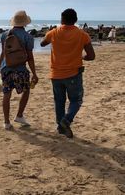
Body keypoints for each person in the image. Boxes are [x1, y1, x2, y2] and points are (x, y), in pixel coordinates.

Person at [40, 8, 95, 138]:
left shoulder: (53, 33)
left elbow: (42, 44)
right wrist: (82, 57)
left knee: (59, 101)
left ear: (61, 19)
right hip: (73, 74)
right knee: (76, 100)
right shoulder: (83, 35)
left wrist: (50, 33)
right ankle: (66, 120)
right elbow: (91, 56)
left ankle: (60, 127)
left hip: (56, 74)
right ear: (75, 20)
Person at [0, 11, 38, 130]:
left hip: (6, 68)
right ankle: (19, 115)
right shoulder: (28, 37)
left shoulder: (4, 35)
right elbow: (30, 57)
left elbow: (3, 53)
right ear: (25, 23)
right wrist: (34, 73)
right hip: (20, 69)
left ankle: (6, 122)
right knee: (26, 90)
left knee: (6, 94)